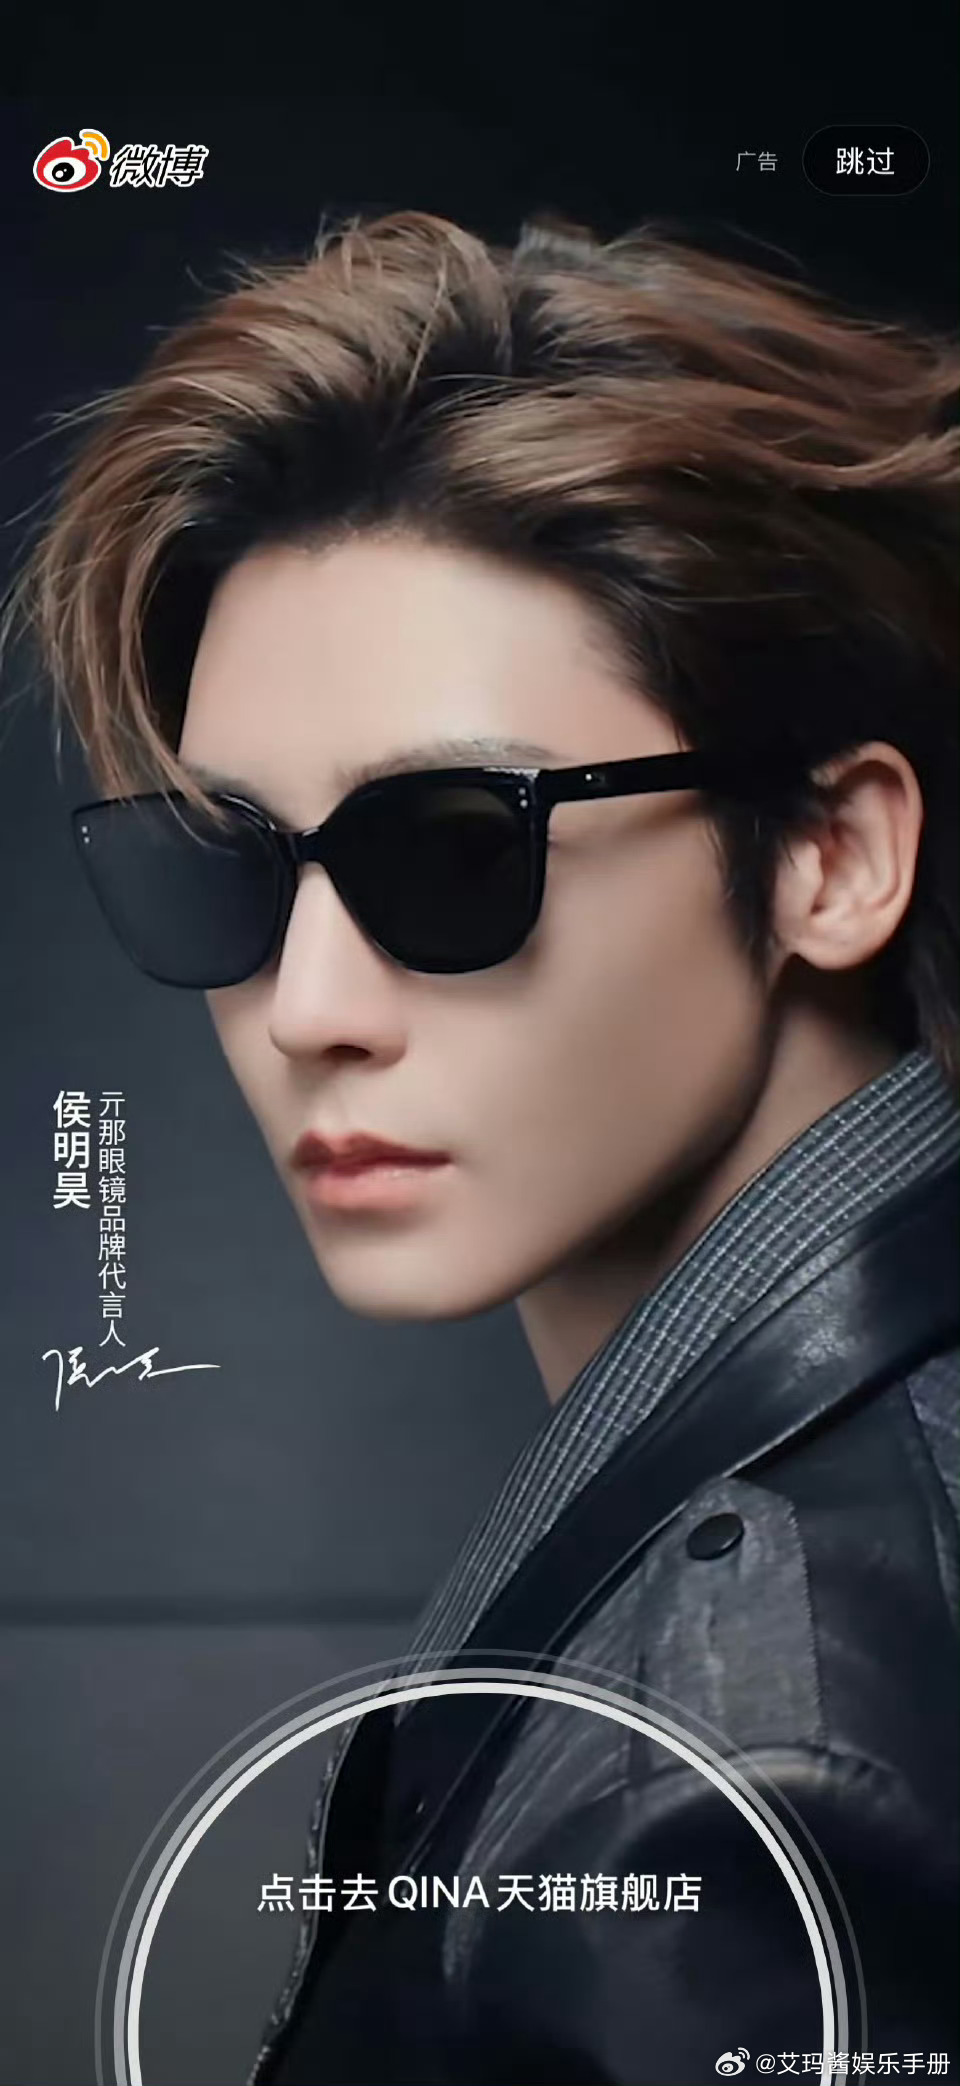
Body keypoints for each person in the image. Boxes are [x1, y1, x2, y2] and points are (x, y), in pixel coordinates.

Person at [5, 210, 958, 2085]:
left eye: (452, 845)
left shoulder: (739, 1798)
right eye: (226, 867)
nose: (306, 1005)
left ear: (831, 855)